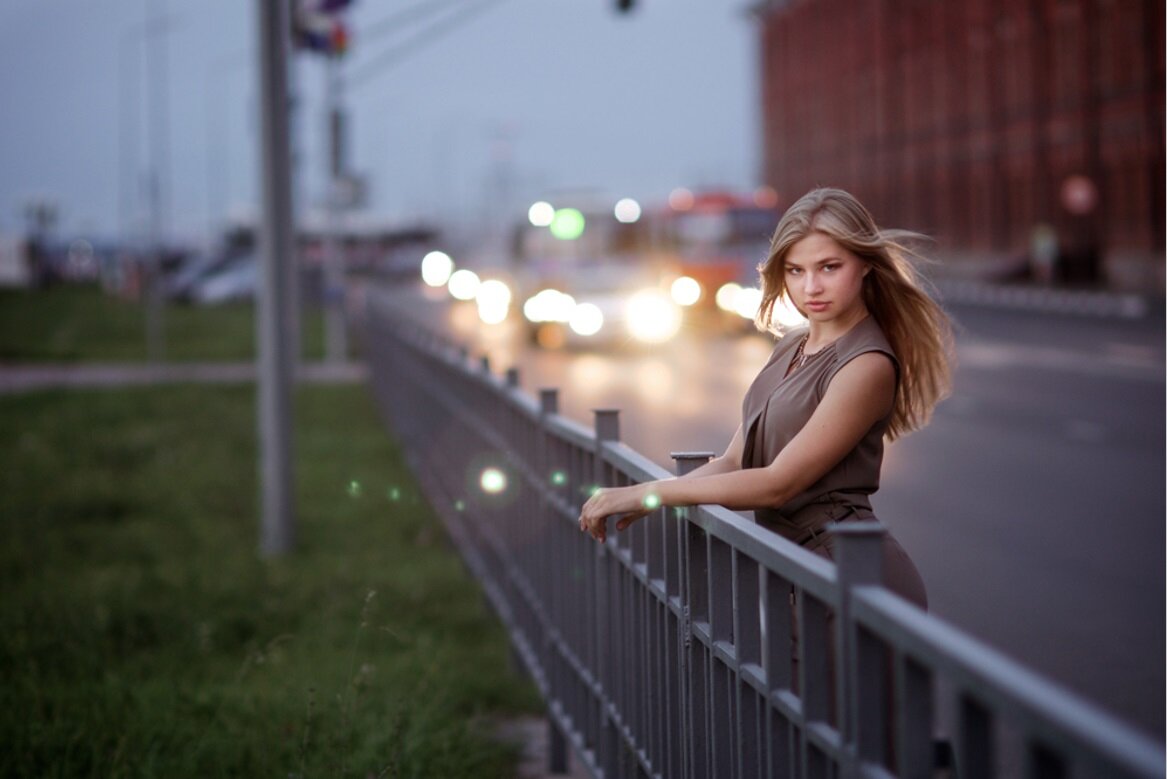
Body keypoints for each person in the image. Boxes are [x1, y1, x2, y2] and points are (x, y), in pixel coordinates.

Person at [578, 187, 953, 607]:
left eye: (829, 267)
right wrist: (648, 493)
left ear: (864, 265)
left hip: (850, 574)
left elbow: (778, 484)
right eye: (795, 271)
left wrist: (653, 495)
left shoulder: (867, 363)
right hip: (796, 572)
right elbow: (733, 462)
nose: (811, 286)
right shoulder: (791, 344)